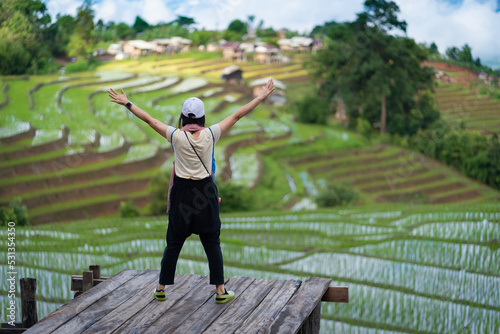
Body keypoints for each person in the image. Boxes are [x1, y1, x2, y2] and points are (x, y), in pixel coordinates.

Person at [108, 78, 275, 304]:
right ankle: (220, 292)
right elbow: (237, 115)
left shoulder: (176, 136)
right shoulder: (211, 134)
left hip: (182, 193)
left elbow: (150, 120)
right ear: (203, 117)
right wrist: (260, 96)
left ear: (184, 117)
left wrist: (127, 103)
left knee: (174, 241)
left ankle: (160, 288)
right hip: (204, 193)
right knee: (212, 241)